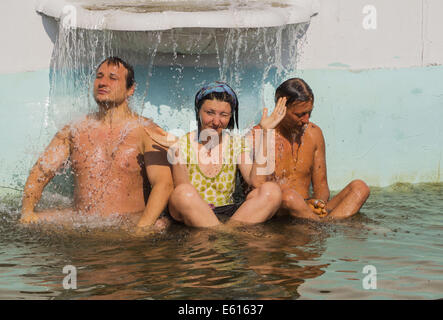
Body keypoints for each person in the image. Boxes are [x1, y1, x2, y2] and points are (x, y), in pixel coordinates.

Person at [20, 56, 173, 233]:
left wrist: (142, 229)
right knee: (30, 222)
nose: (102, 82)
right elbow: (41, 171)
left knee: (159, 224)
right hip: (81, 222)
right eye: (99, 76)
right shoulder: (75, 129)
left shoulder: (146, 131)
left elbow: (164, 184)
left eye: (112, 78)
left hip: (127, 224)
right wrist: (27, 212)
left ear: (130, 89)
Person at [149, 81, 283, 228]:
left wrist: (265, 132)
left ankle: (223, 230)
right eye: (210, 113)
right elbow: (182, 188)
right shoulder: (181, 143)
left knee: (272, 191)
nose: (216, 121)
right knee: (183, 193)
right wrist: (176, 152)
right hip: (192, 210)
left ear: (230, 116)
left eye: (224, 115)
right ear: (198, 111)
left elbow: (256, 183)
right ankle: (227, 234)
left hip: (227, 213)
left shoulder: (236, 144)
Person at [253, 78, 370, 221]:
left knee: (360, 188)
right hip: (280, 212)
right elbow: (258, 186)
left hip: (309, 210)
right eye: (300, 114)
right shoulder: (261, 134)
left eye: (309, 113)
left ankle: (325, 224)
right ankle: (325, 227)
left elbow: (321, 186)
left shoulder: (314, 133)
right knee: (289, 197)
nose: (306, 120)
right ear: (281, 107)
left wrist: (318, 204)